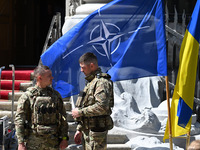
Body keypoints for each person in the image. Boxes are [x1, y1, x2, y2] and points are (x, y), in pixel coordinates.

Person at [15, 65, 69, 150]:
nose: (52, 77)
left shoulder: (55, 95)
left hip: (53, 142)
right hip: (34, 142)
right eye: (49, 76)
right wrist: (21, 143)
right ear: (40, 78)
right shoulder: (28, 96)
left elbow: (63, 118)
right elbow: (19, 119)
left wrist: (64, 138)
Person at [72, 52, 114, 150]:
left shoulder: (101, 82)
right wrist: (79, 129)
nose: (81, 70)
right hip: (88, 131)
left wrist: (80, 112)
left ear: (92, 65)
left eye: (83, 67)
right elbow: (86, 104)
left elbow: (102, 107)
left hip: (96, 133)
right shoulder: (91, 82)